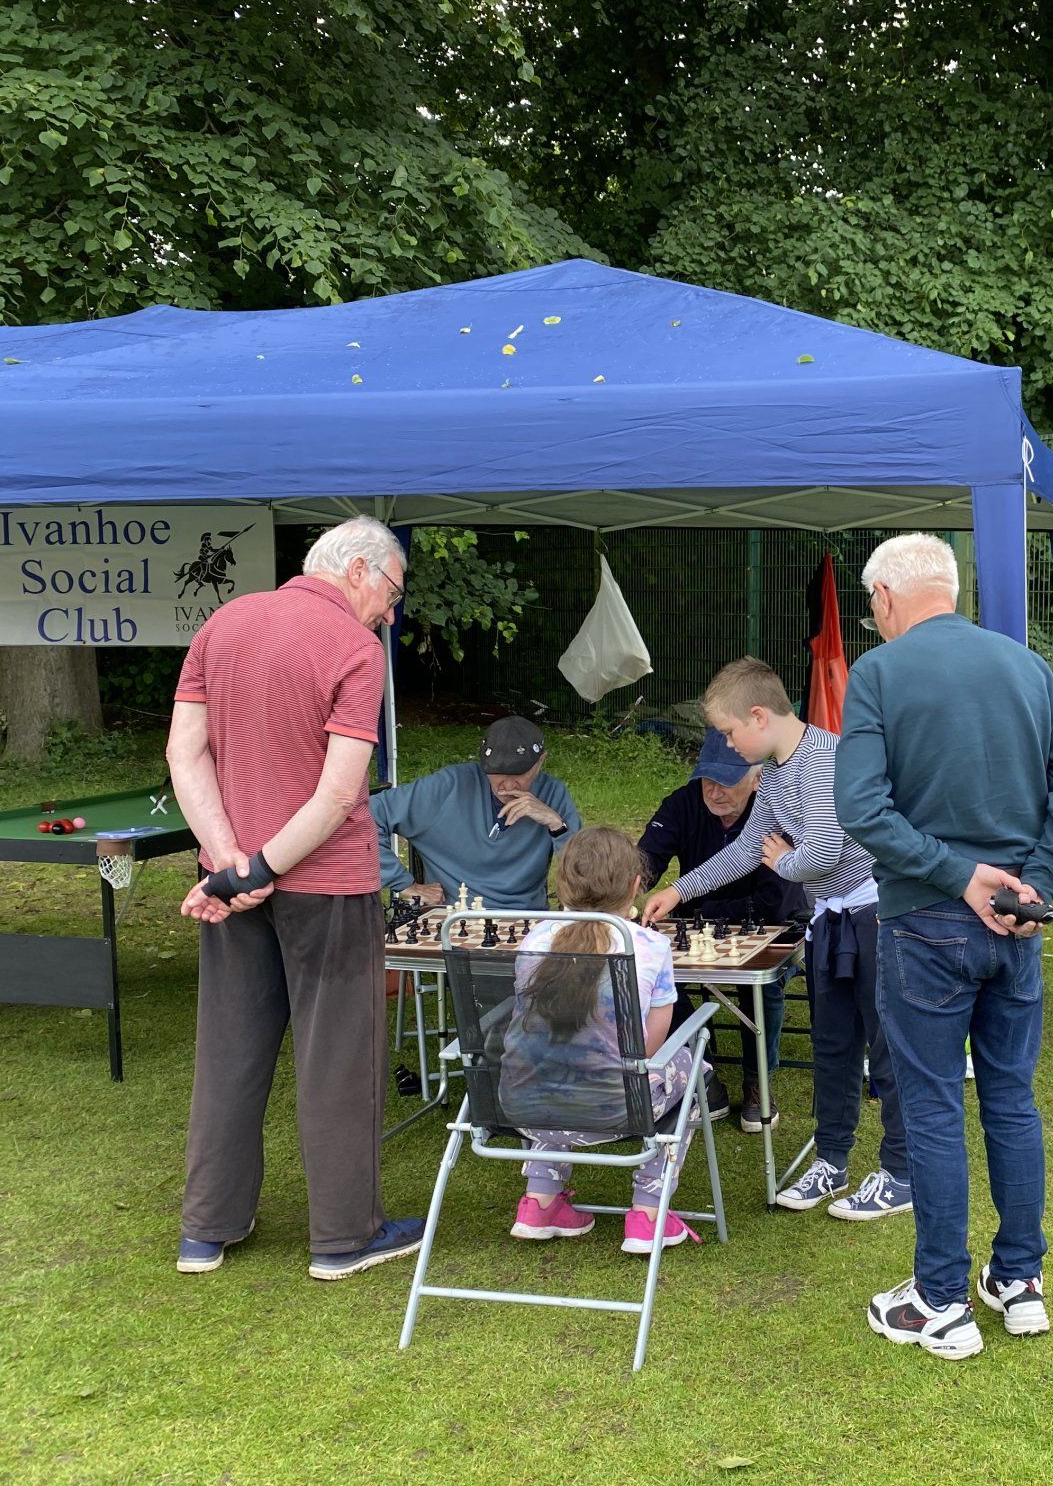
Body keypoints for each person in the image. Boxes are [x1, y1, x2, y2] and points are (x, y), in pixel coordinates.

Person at [837, 532, 1053, 1361]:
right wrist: (1036, 883)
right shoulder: (1024, 666)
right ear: (949, 588)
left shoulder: (878, 673)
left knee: (931, 1107)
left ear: (886, 597)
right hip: (1015, 925)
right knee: (1012, 1099)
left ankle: (941, 1300)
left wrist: (958, 876)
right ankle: (1019, 1280)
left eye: (871, 605)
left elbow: (861, 808)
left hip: (925, 921)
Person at [167, 516, 423, 1282]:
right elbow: (340, 793)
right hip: (328, 885)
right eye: (392, 593)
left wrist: (229, 860)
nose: (390, 614)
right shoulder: (354, 648)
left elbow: (184, 752)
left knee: (229, 1052)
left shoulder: (223, 623)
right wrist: (259, 867)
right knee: (339, 1059)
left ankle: (205, 1232)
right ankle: (344, 1238)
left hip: (233, 880)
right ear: (358, 569)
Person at [643, 658, 910, 1224]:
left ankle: (901, 1172)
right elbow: (748, 850)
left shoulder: (827, 759)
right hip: (829, 919)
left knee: (886, 1047)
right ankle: (832, 1160)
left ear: (759, 716)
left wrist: (786, 862)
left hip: (875, 914)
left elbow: (824, 851)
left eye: (729, 732)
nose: (728, 745)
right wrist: (678, 890)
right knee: (832, 1046)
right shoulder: (773, 772)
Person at [502, 827, 702, 1254]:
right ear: (635, 885)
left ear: (563, 884)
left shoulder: (534, 939)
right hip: (615, 1108)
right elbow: (648, 1049)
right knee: (690, 1064)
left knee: (553, 1065)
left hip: (523, 1104)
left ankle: (540, 1202)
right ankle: (647, 1214)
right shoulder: (649, 946)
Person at [638, 729, 808, 1132]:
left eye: (726, 781)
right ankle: (705, 1072)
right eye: (707, 779)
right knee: (659, 976)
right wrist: (627, 883)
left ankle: (758, 1079)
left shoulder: (780, 812)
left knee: (762, 984)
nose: (713, 791)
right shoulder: (683, 802)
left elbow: (775, 903)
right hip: (698, 925)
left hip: (771, 926)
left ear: (758, 778)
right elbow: (645, 860)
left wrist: (698, 908)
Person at [370, 715, 580, 910]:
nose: (507, 786)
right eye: (497, 773)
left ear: (540, 762)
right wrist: (404, 884)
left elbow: (585, 877)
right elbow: (365, 814)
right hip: (455, 917)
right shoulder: (449, 786)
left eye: (519, 774)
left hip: (527, 919)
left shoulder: (554, 793)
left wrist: (557, 825)